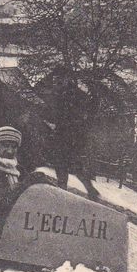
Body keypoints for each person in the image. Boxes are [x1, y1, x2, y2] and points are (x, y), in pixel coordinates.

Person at [50, 67, 100, 200]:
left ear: (67, 79)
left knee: (67, 165)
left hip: (71, 136)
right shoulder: (62, 94)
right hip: (65, 135)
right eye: (55, 80)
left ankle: (66, 191)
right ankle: (88, 190)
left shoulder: (75, 95)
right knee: (68, 165)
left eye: (59, 79)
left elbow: (79, 116)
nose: (57, 82)